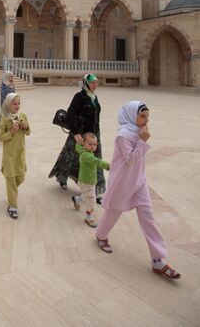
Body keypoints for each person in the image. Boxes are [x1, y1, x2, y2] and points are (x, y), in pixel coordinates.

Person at [95, 101, 181, 280]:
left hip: (139, 182)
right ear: (131, 115)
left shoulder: (139, 132)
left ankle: (157, 260)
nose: (145, 120)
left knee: (148, 218)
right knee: (114, 212)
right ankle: (101, 236)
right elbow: (131, 160)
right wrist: (142, 141)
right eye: (142, 116)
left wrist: (142, 138)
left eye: (147, 116)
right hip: (123, 183)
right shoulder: (123, 136)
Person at [49, 73, 106, 201]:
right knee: (69, 158)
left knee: (95, 160)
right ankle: (62, 178)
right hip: (79, 134)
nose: (95, 85)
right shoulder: (79, 97)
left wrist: (97, 135)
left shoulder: (94, 97)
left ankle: (96, 190)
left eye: (96, 82)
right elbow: (70, 114)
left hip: (94, 135)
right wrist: (75, 133)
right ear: (86, 83)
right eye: (92, 82)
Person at [0, 93, 30, 219]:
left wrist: (26, 126)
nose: (17, 106)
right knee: (11, 178)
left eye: (18, 103)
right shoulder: (4, 119)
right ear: (8, 104)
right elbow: (0, 137)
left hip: (20, 153)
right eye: (14, 103)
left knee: (21, 177)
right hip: (9, 155)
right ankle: (12, 206)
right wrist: (12, 131)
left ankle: (11, 192)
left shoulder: (22, 116)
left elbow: (28, 132)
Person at [72, 132, 109, 228]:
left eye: (95, 144)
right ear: (84, 144)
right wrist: (108, 166)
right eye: (90, 144)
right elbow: (97, 162)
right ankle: (89, 217)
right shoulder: (86, 156)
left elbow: (77, 148)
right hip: (87, 182)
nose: (93, 147)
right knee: (91, 200)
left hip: (87, 181)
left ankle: (77, 199)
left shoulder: (84, 150)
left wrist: (79, 143)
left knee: (86, 197)